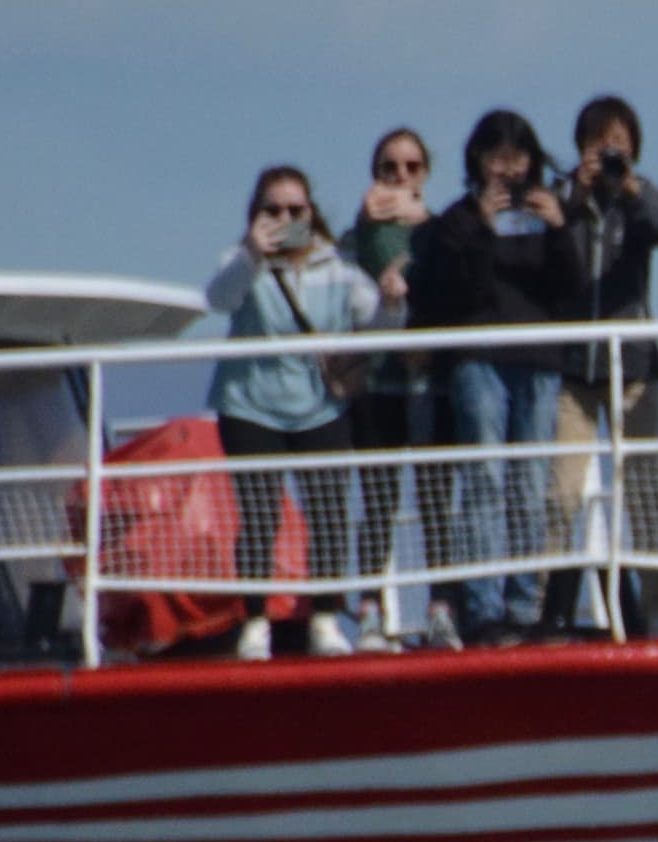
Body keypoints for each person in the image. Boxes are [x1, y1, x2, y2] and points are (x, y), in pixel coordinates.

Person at [407, 107, 585, 639]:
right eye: (497, 158)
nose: (508, 170)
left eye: (518, 158)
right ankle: (484, 607)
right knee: (483, 479)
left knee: (530, 483)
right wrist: (483, 231)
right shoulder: (457, 221)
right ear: (478, 161)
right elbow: (455, 294)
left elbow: (571, 290)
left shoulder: (549, 215)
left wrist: (559, 230)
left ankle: (525, 607)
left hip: (538, 361)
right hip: (479, 358)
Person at [202, 164, 387, 658]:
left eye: (295, 210)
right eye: (274, 210)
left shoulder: (338, 266)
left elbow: (381, 321)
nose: (285, 219)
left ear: (312, 213)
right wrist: (252, 256)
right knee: (259, 516)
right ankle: (255, 625)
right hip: (250, 404)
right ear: (255, 215)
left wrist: (392, 300)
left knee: (328, 513)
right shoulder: (239, 260)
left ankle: (324, 621)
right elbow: (218, 299)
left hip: (321, 405)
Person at [542, 93, 658, 634]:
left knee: (643, 491)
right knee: (561, 491)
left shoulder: (639, 198)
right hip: (575, 369)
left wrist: (630, 190)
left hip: (634, 366)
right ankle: (547, 608)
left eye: (618, 146)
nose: (608, 156)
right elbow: (547, 251)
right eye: (598, 145)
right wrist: (574, 197)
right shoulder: (565, 199)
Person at [336, 127, 436, 638]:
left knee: (436, 499)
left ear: (426, 173)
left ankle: (443, 609)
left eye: (411, 167)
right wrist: (369, 224)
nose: (400, 176)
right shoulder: (354, 239)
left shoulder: (442, 232)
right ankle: (371, 609)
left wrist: (426, 230)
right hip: (375, 382)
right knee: (378, 502)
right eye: (389, 168)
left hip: (426, 381)